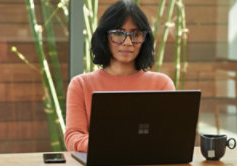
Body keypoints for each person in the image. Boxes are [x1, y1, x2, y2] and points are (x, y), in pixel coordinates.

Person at [64, 0, 175, 152]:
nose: (128, 42)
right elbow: (73, 136)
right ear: (104, 37)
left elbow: (171, 136)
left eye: (136, 34)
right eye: (118, 33)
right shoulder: (81, 84)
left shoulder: (161, 84)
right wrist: (113, 145)